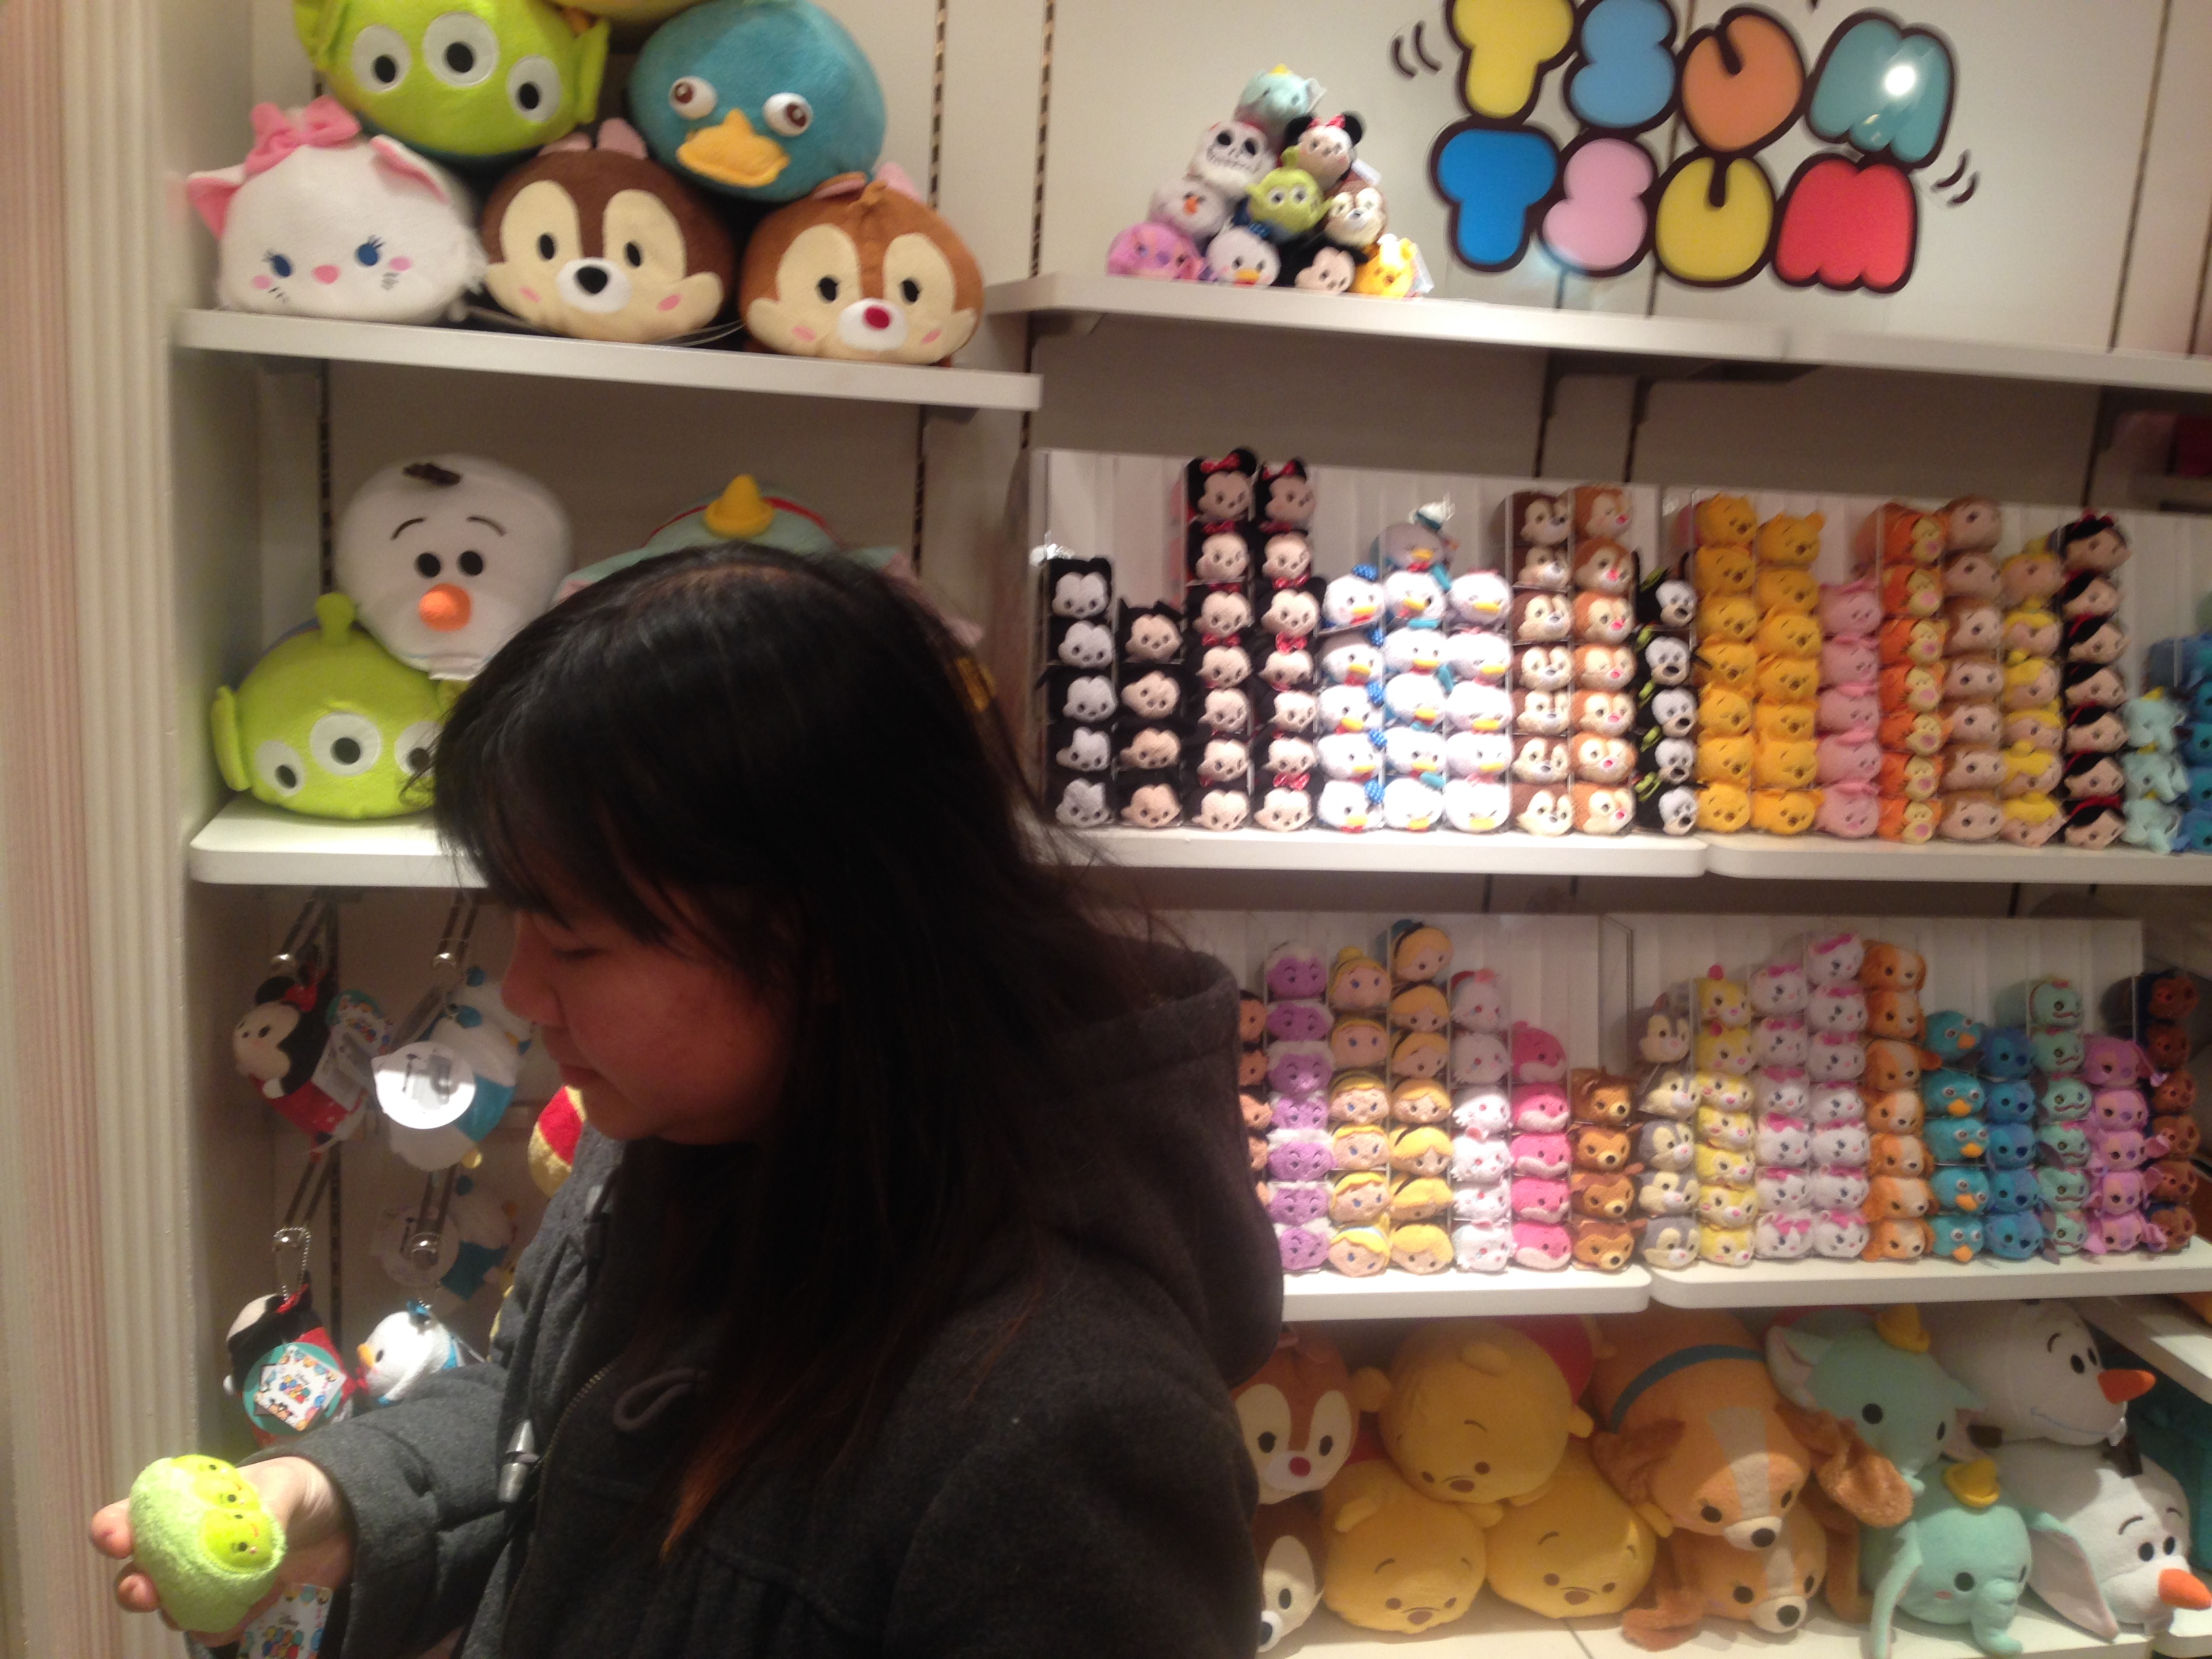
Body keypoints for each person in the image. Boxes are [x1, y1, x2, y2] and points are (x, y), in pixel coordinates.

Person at [92, 546, 1282, 1656]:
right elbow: (543, 1418)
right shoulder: (669, 1144)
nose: (524, 992)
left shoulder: (1070, 1437)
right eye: (517, 923)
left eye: (578, 943)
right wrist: (338, 1492)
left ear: (824, 936)